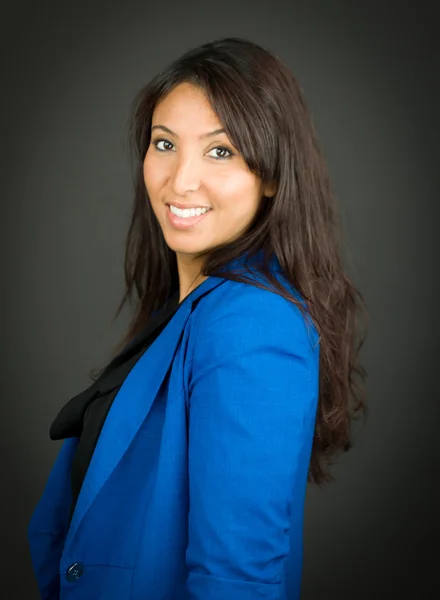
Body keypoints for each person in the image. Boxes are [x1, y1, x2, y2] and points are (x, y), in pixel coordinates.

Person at [28, 37, 368, 600]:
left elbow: (236, 580)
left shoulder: (253, 325)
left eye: (220, 151)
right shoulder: (190, 311)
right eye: (164, 144)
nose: (180, 180)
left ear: (273, 176)